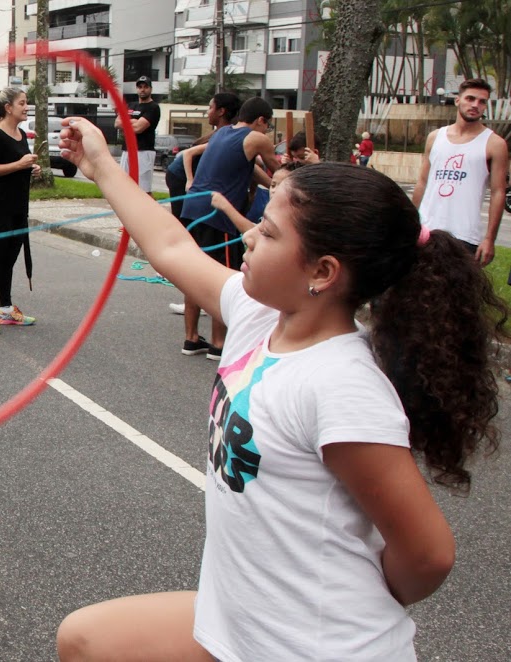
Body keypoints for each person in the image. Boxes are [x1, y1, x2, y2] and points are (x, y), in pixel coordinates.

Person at [55, 116, 506, 662]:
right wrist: (100, 164)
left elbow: (429, 555)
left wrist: (341, 600)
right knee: (84, 640)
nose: (249, 235)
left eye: (268, 233)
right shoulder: (258, 316)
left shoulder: (342, 385)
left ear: (322, 272)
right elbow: (171, 245)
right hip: (239, 619)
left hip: (318, 647)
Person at [178, 97, 282, 359]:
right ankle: (218, 343)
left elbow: (250, 171)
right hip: (218, 212)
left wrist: (267, 183)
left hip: (193, 208)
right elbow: (281, 173)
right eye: (268, 125)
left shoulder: (222, 133)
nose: (267, 130)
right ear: (261, 120)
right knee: (223, 277)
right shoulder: (257, 138)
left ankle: (191, 338)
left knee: (194, 274)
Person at [413, 78, 509, 266]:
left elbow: (498, 192)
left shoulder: (495, 144)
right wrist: (412, 221)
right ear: (458, 100)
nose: (475, 105)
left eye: (482, 101)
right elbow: (422, 182)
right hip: (426, 230)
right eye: (470, 98)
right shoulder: (435, 137)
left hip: (464, 235)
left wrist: (489, 239)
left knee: (456, 285)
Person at [167, 92, 241, 316]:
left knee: (200, 249)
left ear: (222, 111)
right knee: (195, 246)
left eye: (210, 107)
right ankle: (199, 300)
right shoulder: (223, 136)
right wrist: (190, 181)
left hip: (196, 194)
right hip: (184, 184)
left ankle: (201, 300)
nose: (207, 112)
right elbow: (188, 154)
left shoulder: (227, 135)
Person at [0, 87, 40, 334]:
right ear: (8, 107)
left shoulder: (20, 134)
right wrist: (19, 164)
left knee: (9, 259)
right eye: (22, 103)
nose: (26, 107)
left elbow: (18, 166)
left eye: (26, 102)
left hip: (18, 208)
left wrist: (30, 168)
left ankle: (5, 309)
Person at [114, 76, 160, 196]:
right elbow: (117, 123)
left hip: (143, 151)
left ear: (150, 89)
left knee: (143, 190)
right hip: (127, 150)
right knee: (124, 186)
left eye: (145, 87)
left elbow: (138, 128)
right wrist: (134, 121)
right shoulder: (130, 106)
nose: (142, 90)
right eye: (140, 87)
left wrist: (128, 122)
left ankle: (150, 208)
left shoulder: (153, 107)